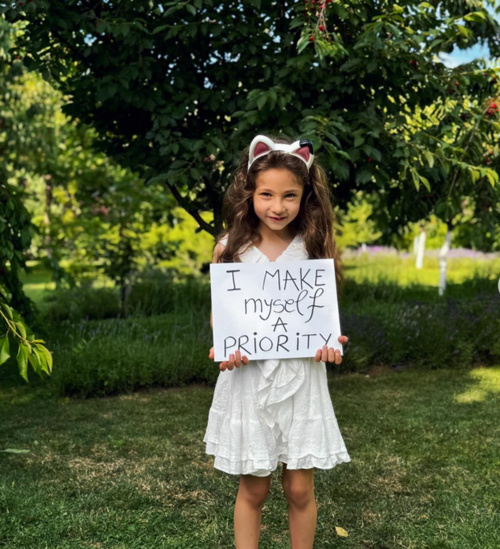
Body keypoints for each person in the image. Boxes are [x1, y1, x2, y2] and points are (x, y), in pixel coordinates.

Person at [204, 134, 351, 549]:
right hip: (249, 379)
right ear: (249, 192)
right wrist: (225, 344)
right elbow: (221, 316)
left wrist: (329, 341)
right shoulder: (229, 249)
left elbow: (321, 317)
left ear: (305, 197)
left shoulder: (313, 249)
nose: (278, 206)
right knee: (254, 487)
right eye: (266, 194)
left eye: (290, 196)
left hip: (302, 378)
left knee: (300, 488)